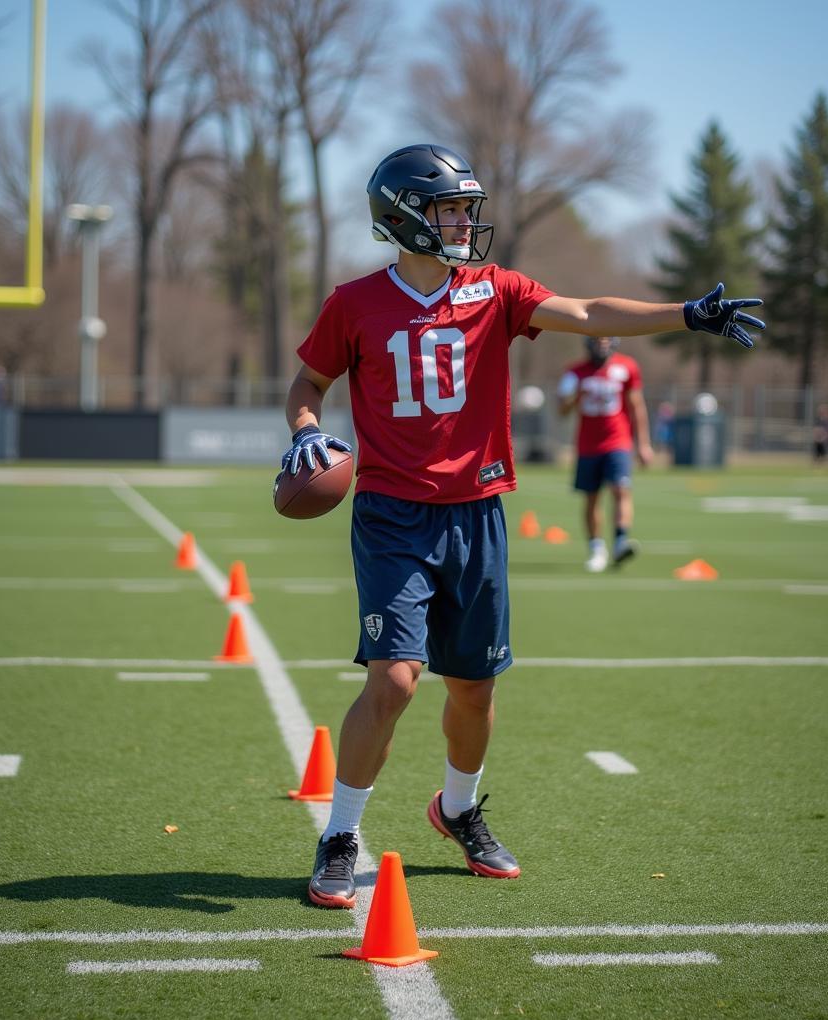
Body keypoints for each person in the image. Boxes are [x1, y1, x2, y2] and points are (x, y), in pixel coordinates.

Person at [277, 144, 765, 909]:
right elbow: (308, 382)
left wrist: (685, 315)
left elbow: (586, 312)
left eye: (466, 206)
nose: (465, 220)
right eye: (449, 208)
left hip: (477, 513)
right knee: (396, 679)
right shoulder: (355, 303)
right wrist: (306, 429)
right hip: (393, 516)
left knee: (473, 689)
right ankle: (341, 833)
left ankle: (459, 810)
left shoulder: (495, 291)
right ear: (406, 217)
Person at [557, 336, 653, 572]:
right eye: (597, 341)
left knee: (621, 489)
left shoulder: (626, 367)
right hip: (588, 445)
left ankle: (621, 541)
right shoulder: (575, 372)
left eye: (606, 340)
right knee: (592, 498)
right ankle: (596, 548)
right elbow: (562, 410)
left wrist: (643, 443)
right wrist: (576, 397)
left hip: (618, 441)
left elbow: (636, 406)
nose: (602, 345)